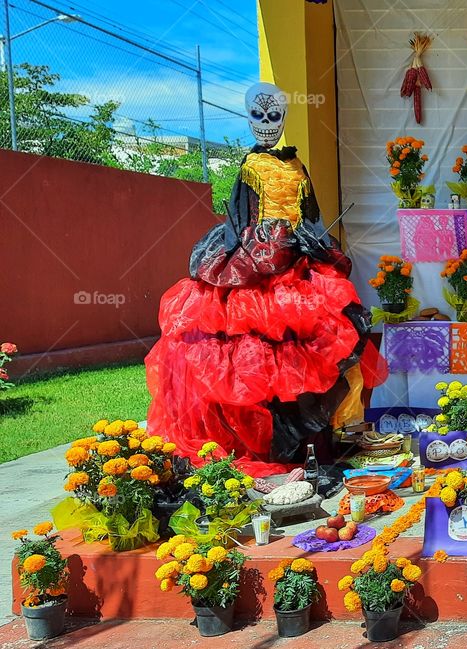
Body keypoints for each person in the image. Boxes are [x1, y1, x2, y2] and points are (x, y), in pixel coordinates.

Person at [146, 82, 380, 476]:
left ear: (285, 118)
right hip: (258, 264)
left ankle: (308, 445)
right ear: (248, 119)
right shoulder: (249, 166)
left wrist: (314, 244)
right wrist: (255, 254)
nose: (267, 125)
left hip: (299, 261)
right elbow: (241, 219)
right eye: (259, 116)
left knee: (309, 346)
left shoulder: (297, 165)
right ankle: (265, 447)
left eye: (275, 116)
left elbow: (311, 214)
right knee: (255, 353)